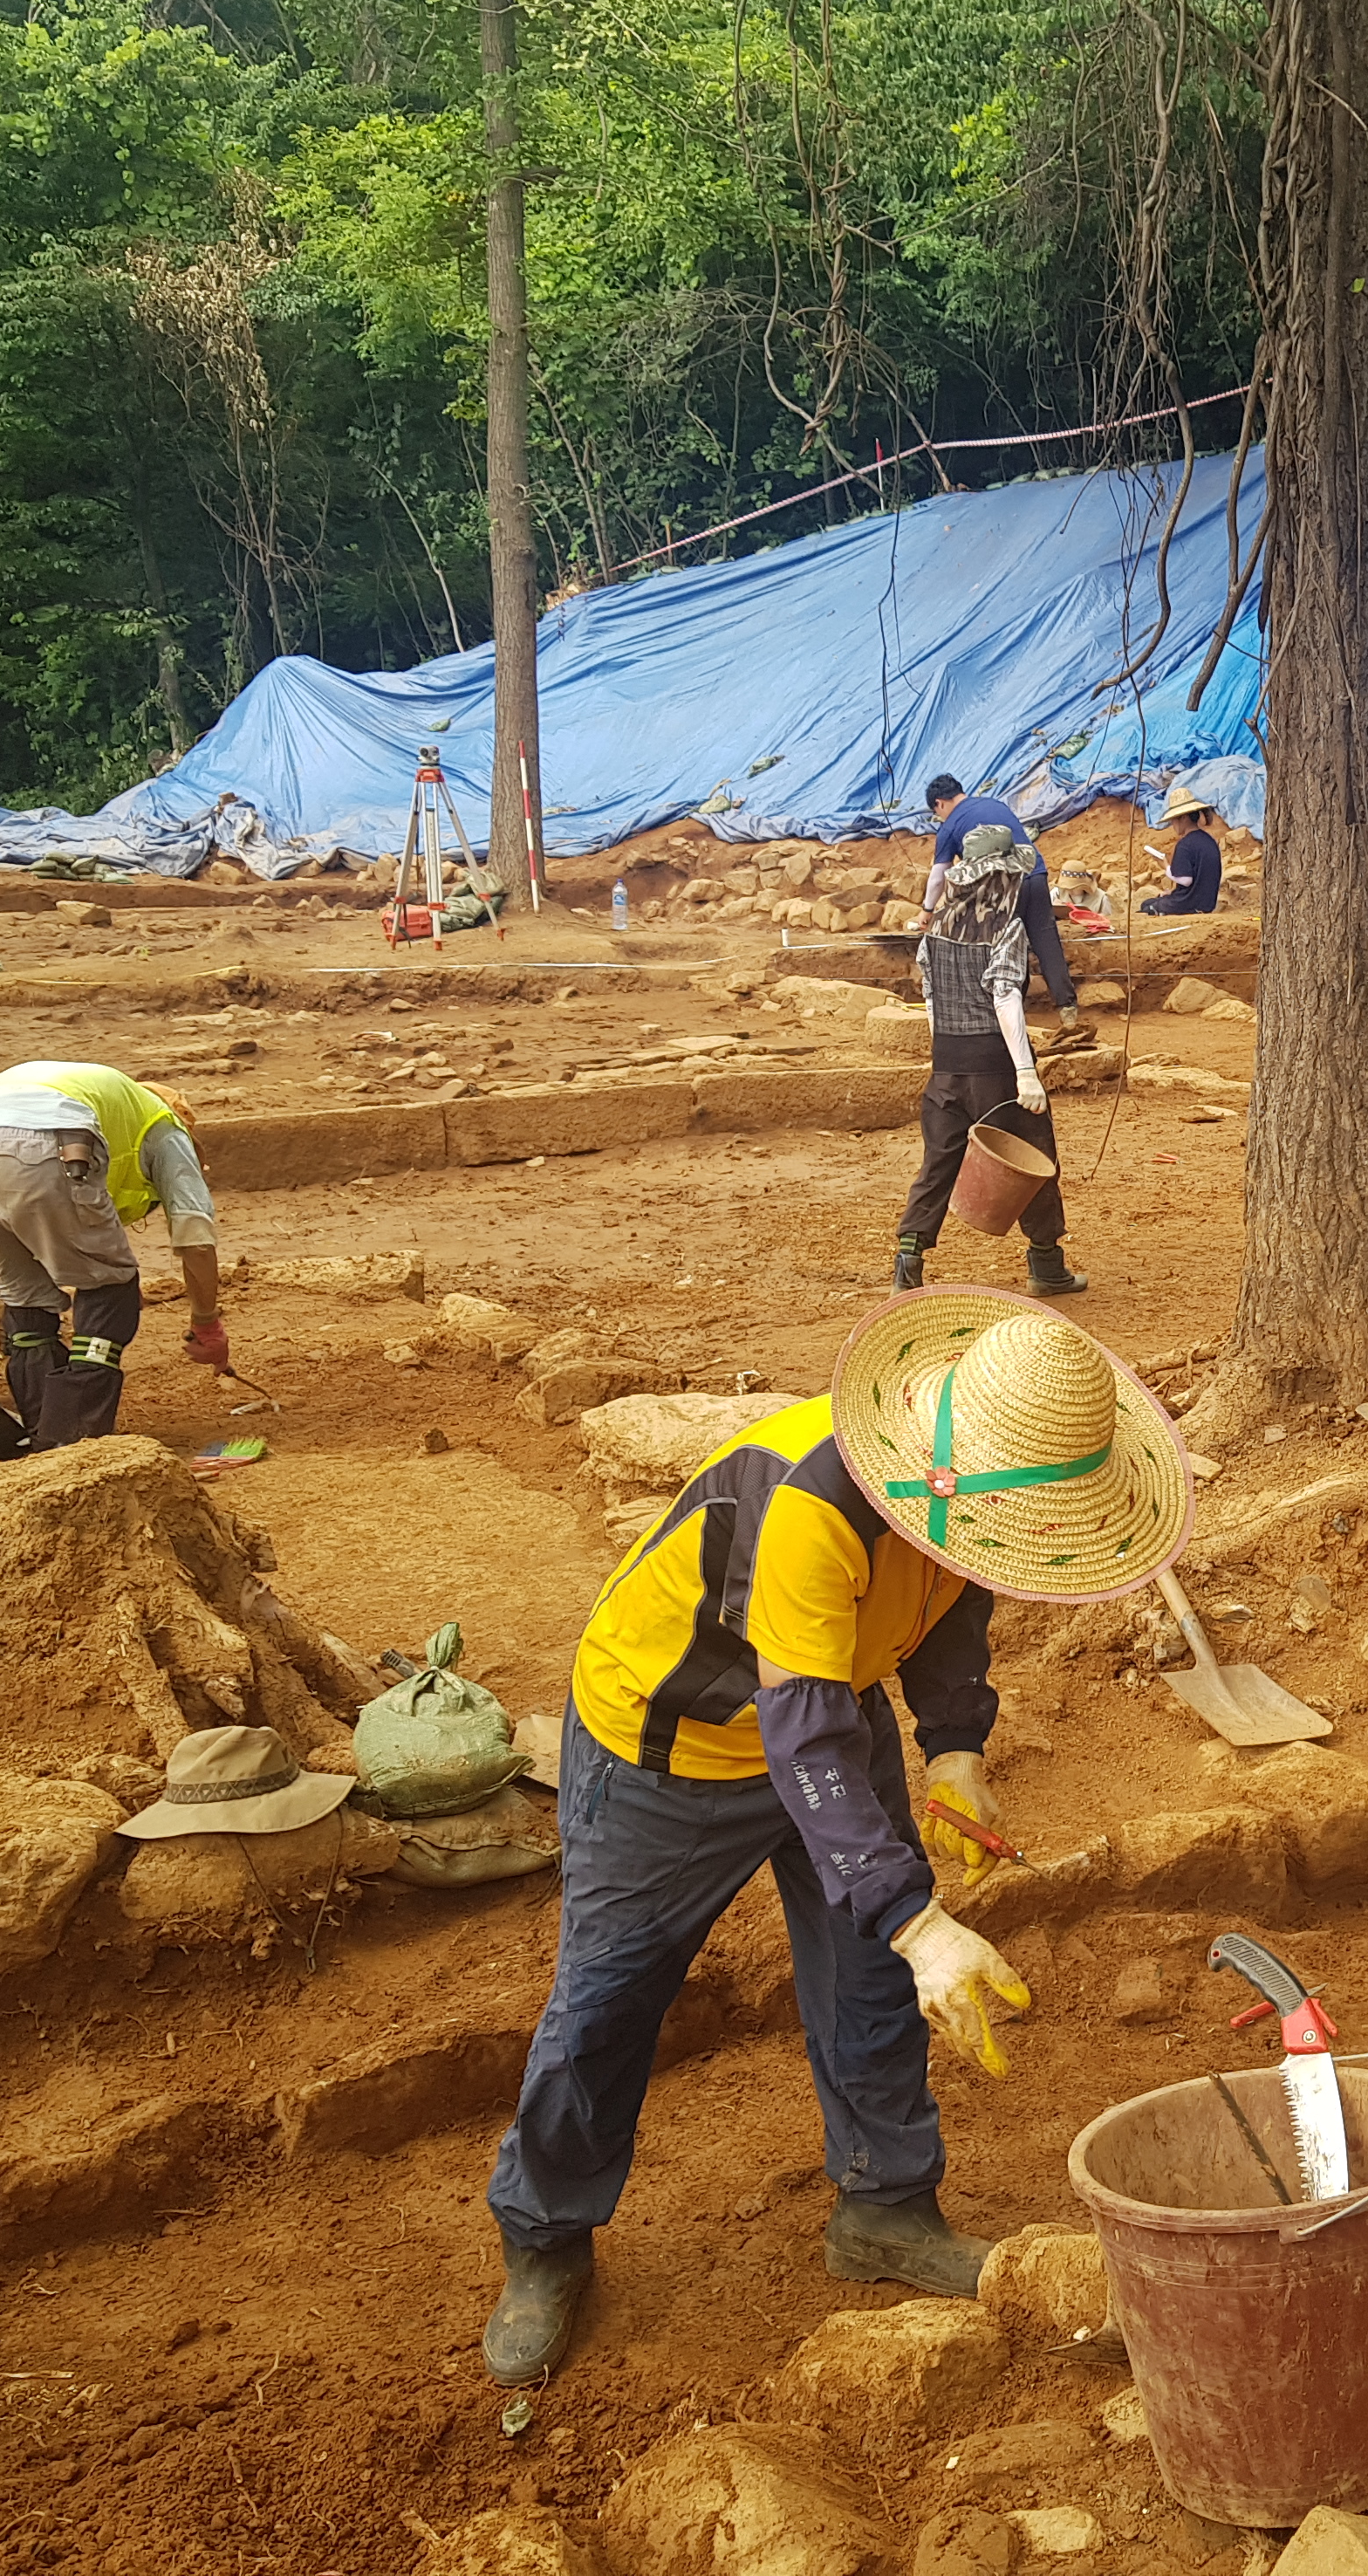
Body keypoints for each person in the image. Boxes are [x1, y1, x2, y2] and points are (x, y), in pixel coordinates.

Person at [480, 1290, 1193, 2383]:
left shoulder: (969, 1496)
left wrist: (955, 1745)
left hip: (820, 1711)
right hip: (666, 1751)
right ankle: (544, 2235)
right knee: (608, 1999)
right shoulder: (808, 1502)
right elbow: (802, 1736)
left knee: (868, 1982)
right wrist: (919, 1920)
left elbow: (957, 1593)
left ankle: (887, 2207)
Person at [0, 1060, 229, 1447]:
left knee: (24, 1289)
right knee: (111, 1289)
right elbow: (196, 1236)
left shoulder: (110, 1103)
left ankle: (38, 1431)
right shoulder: (166, 1126)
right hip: (49, 1139)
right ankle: (70, 1441)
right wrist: (207, 1324)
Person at [896, 824, 1086, 1298]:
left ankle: (908, 1262)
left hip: (946, 1066)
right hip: (995, 1066)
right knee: (1034, 1157)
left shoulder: (936, 926)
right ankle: (1046, 1266)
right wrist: (1025, 1073)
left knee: (938, 1162)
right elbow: (1005, 997)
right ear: (1003, 878)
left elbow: (931, 995)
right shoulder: (1007, 928)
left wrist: (945, 1055)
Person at [920, 774, 1082, 1041]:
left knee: (1006, 946)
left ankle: (1010, 1012)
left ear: (939, 804)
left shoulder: (949, 827)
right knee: (1045, 939)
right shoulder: (996, 804)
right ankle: (1067, 1008)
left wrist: (926, 910)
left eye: (936, 813)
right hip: (1035, 873)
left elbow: (939, 876)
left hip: (1003, 887)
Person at [1140, 786, 1223, 915]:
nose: (1173, 824)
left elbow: (1186, 880)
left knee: (1147, 905)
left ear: (1184, 818)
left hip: (1188, 904)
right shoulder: (1208, 841)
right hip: (1207, 903)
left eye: (1174, 820)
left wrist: (1166, 866)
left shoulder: (1185, 845)